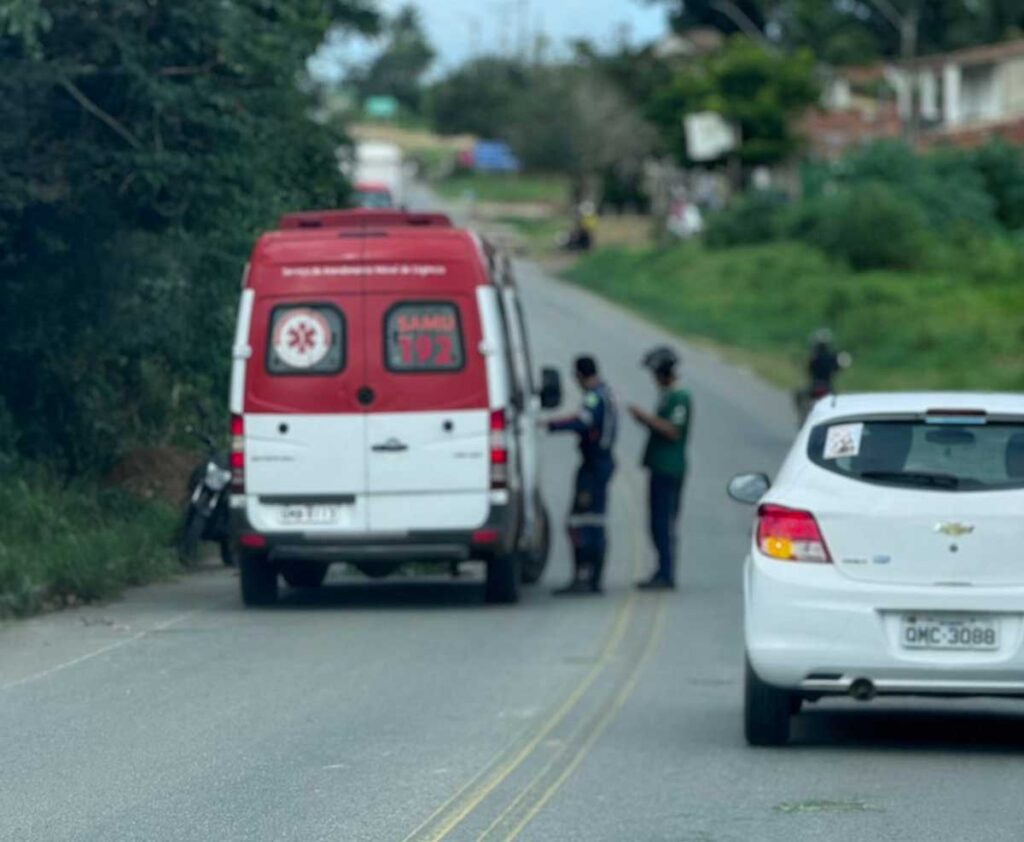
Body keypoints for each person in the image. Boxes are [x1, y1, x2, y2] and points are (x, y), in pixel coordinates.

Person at [546, 355, 618, 595]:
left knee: (583, 521)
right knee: (592, 519)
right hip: (598, 463)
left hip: (594, 466)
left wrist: (552, 425)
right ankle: (592, 578)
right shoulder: (605, 392)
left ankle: (586, 577)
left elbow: (583, 422)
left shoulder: (595, 396)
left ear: (579, 375)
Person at [628, 347, 691, 591]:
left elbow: (673, 431)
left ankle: (666, 572)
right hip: (659, 467)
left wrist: (644, 418)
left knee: (664, 522)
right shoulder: (667, 396)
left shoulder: (679, 398)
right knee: (656, 521)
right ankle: (662, 569)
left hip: (669, 468)